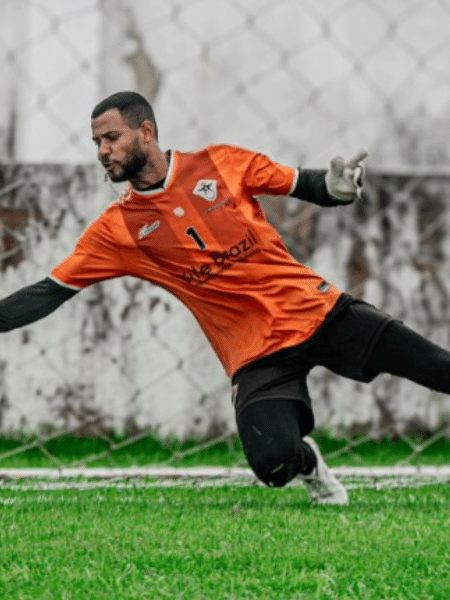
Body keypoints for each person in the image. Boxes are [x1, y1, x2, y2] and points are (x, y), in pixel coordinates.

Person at [2, 91, 450, 505]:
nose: (103, 151)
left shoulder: (221, 163)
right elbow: (50, 291)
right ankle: (309, 464)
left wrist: (335, 188)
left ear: (146, 133)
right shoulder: (118, 229)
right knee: (273, 464)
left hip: (319, 311)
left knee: (437, 367)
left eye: (112, 138)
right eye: (97, 142)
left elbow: (304, 184)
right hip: (255, 355)